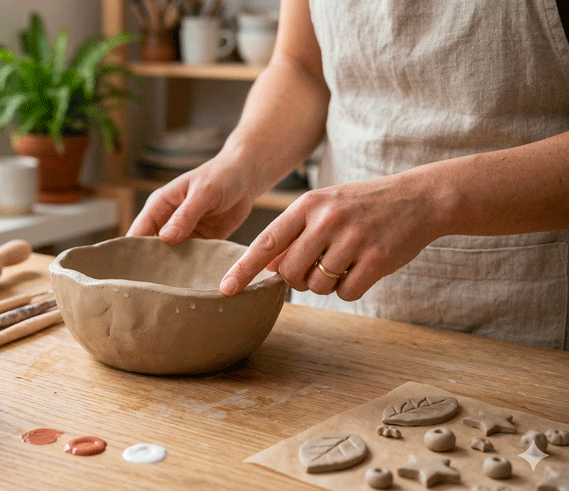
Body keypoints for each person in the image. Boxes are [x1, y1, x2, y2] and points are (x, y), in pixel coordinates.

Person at [127, 0, 569, 350]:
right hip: (336, 305)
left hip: (523, 305)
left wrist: (427, 199)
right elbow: (301, 67)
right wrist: (238, 164)